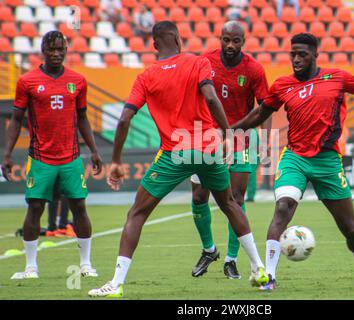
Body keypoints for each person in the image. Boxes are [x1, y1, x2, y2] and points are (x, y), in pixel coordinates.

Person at [232, 33, 354, 291]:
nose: (296, 59)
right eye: (292, 53)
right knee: (283, 208)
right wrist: (228, 131)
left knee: (351, 230)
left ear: (316, 54)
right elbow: (260, 113)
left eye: (302, 54)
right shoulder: (282, 85)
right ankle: (268, 277)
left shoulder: (337, 77)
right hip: (295, 157)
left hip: (327, 161)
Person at [88, 21, 269, 298]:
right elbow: (210, 97)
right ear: (178, 39)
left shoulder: (145, 76)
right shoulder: (198, 63)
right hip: (208, 148)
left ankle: (115, 283)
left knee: (137, 214)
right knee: (230, 204)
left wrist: (115, 162)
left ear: (154, 44)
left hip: (175, 152)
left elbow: (124, 118)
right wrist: (228, 134)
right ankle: (259, 270)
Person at [2, 31, 103, 279]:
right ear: (43, 51)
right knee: (35, 207)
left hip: (71, 157)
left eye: (60, 49)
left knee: (79, 206)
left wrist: (94, 150)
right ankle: (31, 266)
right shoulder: (27, 81)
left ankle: (86, 264)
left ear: (66, 50)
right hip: (40, 157)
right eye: (51, 50)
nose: (56, 54)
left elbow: (82, 118)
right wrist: (7, 155)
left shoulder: (77, 80)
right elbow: (16, 120)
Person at [190, 21, 270, 280]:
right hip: (207, 139)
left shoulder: (254, 69)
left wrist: (266, 138)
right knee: (200, 196)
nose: (231, 45)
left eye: (236, 41)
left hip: (241, 139)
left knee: (236, 199)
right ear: (220, 38)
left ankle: (232, 260)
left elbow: (264, 107)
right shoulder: (204, 62)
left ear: (244, 41)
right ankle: (209, 249)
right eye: (226, 40)